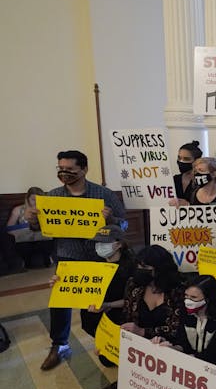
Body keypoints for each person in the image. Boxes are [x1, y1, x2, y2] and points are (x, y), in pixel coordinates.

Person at [41, 150, 126, 371]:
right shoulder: (53, 196)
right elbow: (42, 226)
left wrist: (112, 219)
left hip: (99, 256)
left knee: (99, 302)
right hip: (68, 256)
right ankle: (58, 345)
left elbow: (124, 225)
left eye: (70, 170)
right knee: (60, 302)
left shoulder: (104, 194)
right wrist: (33, 220)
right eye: (60, 169)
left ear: (84, 169)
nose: (64, 173)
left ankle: (107, 341)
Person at [101, 245, 184, 389]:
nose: (139, 269)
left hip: (168, 344)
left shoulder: (176, 291)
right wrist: (106, 342)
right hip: (139, 345)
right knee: (105, 359)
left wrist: (142, 331)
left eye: (144, 266)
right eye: (138, 265)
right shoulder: (134, 285)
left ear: (159, 269)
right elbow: (126, 317)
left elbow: (175, 329)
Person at [156, 275, 216, 380]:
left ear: (208, 299)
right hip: (191, 371)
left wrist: (190, 359)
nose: (188, 301)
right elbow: (182, 343)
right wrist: (172, 348)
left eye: (193, 298)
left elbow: (215, 352)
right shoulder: (184, 312)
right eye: (186, 296)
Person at [79, 225, 137, 340]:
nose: (99, 246)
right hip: (95, 319)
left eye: (104, 242)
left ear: (119, 244)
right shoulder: (93, 264)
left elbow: (133, 299)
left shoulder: (131, 268)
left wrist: (108, 305)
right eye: (97, 242)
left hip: (120, 320)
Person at [6, 186, 53, 268]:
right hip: (24, 240)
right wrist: (18, 233)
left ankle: (47, 260)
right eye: (33, 199)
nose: (35, 202)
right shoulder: (18, 210)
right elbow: (9, 228)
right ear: (27, 199)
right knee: (24, 247)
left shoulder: (47, 210)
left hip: (43, 239)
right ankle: (25, 263)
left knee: (47, 243)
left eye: (38, 199)